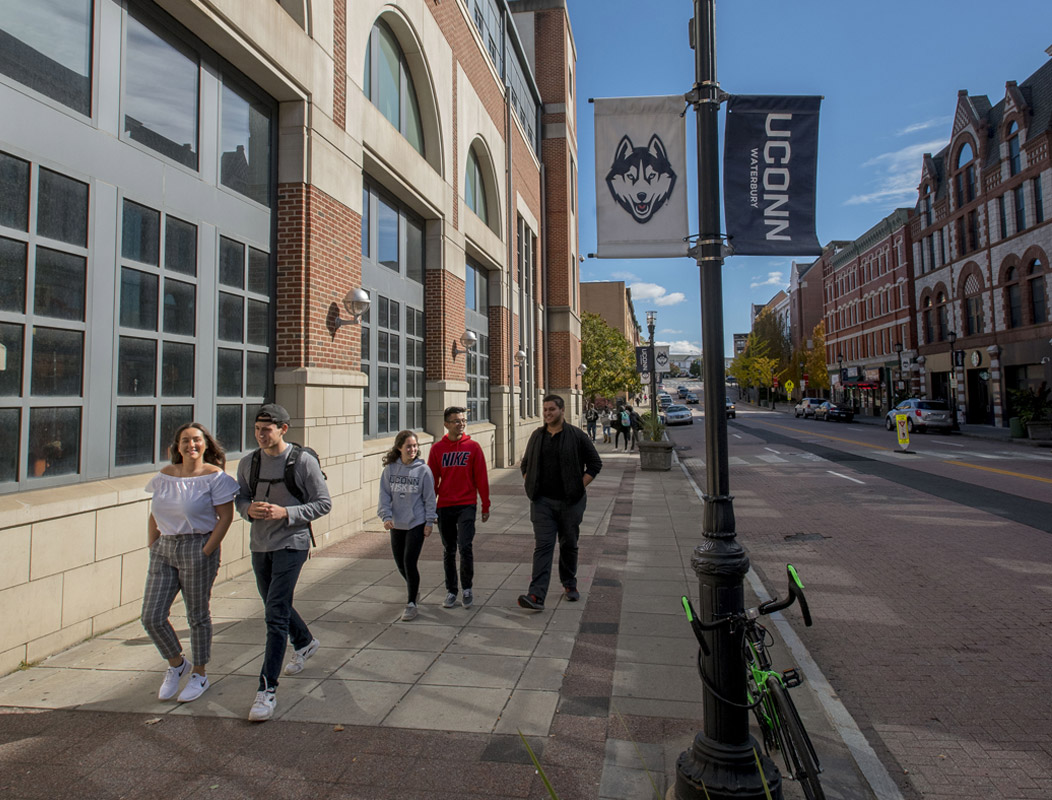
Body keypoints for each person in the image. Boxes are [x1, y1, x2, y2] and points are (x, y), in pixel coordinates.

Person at [236, 404, 331, 723]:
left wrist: (286, 513)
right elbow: (241, 498)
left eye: (267, 428)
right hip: (260, 544)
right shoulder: (248, 462)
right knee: (273, 604)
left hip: (292, 543)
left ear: (283, 429)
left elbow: (323, 503)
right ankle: (304, 642)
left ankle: (267, 689)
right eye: (257, 429)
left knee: (274, 614)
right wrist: (248, 509)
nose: (261, 435)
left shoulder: (302, 461)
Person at [142, 423, 238, 703]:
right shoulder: (164, 476)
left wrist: (207, 550)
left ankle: (199, 673)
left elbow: (226, 517)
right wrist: (153, 544)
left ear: (206, 444)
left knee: (197, 615)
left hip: (198, 546)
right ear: (177, 446)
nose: (191, 445)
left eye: (196, 440)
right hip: (165, 548)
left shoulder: (215, 477)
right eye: (185, 440)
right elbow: (154, 513)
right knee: (152, 616)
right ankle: (176, 663)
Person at [517, 394, 602, 610]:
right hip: (542, 502)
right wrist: (531, 483)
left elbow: (595, 463)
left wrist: (578, 486)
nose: (547, 413)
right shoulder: (537, 436)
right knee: (543, 546)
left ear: (562, 410)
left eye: (551, 409)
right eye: (545, 409)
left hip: (570, 503)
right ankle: (536, 596)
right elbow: (525, 464)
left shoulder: (576, 436)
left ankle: (569, 583)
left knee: (568, 544)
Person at [427, 407, 490, 609]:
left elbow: (481, 478)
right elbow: (431, 482)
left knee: (465, 546)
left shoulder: (473, 447)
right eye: (456, 421)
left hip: (466, 505)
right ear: (446, 424)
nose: (461, 424)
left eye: (463, 420)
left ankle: (467, 588)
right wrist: (430, 508)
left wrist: (485, 504)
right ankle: (451, 591)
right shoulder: (437, 449)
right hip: (445, 506)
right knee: (449, 550)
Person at [378, 430, 437, 621]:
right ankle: (414, 587)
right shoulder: (389, 470)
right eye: (409, 446)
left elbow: (429, 498)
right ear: (399, 448)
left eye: (415, 446)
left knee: (410, 562)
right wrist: (386, 516)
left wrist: (429, 521)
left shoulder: (423, 471)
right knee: (400, 563)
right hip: (396, 524)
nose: (413, 449)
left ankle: (411, 603)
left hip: (416, 523)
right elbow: (385, 495)